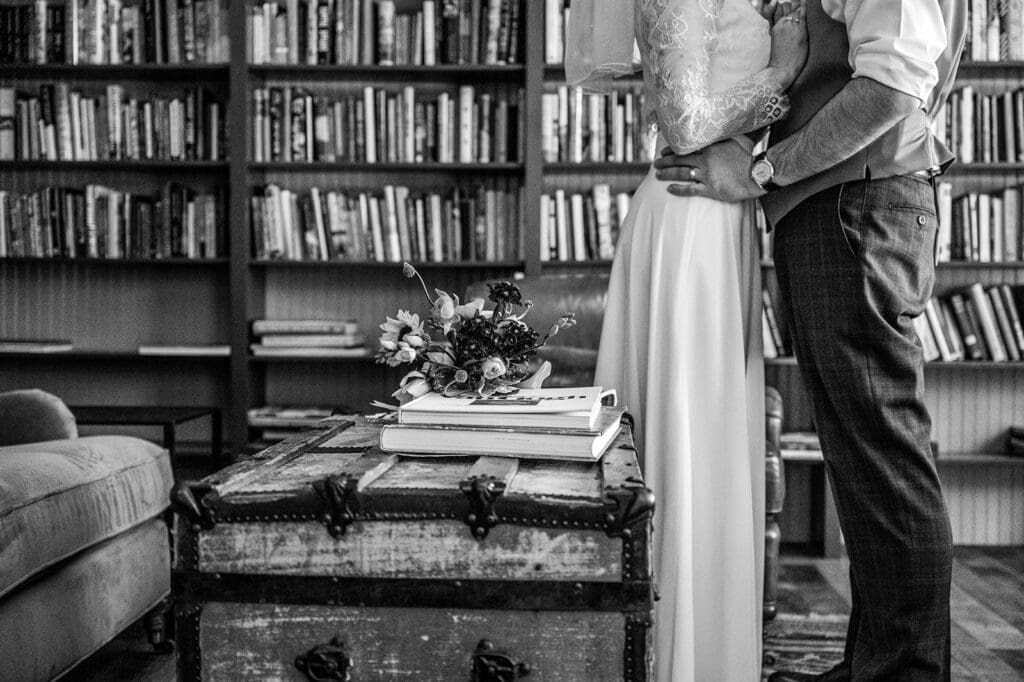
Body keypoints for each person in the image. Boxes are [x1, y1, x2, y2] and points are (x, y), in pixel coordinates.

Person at [652, 0, 967, 679]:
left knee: (883, 458)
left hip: (858, 204)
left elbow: (890, 86)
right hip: (842, 205)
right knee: (862, 460)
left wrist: (763, 172)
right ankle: (871, 665)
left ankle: (904, 672)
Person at [566, 1, 808, 679]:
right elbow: (685, 122)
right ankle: (666, 651)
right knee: (681, 436)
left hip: (720, 218)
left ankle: (705, 649)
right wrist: (784, 68)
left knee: (708, 438)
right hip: (688, 218)